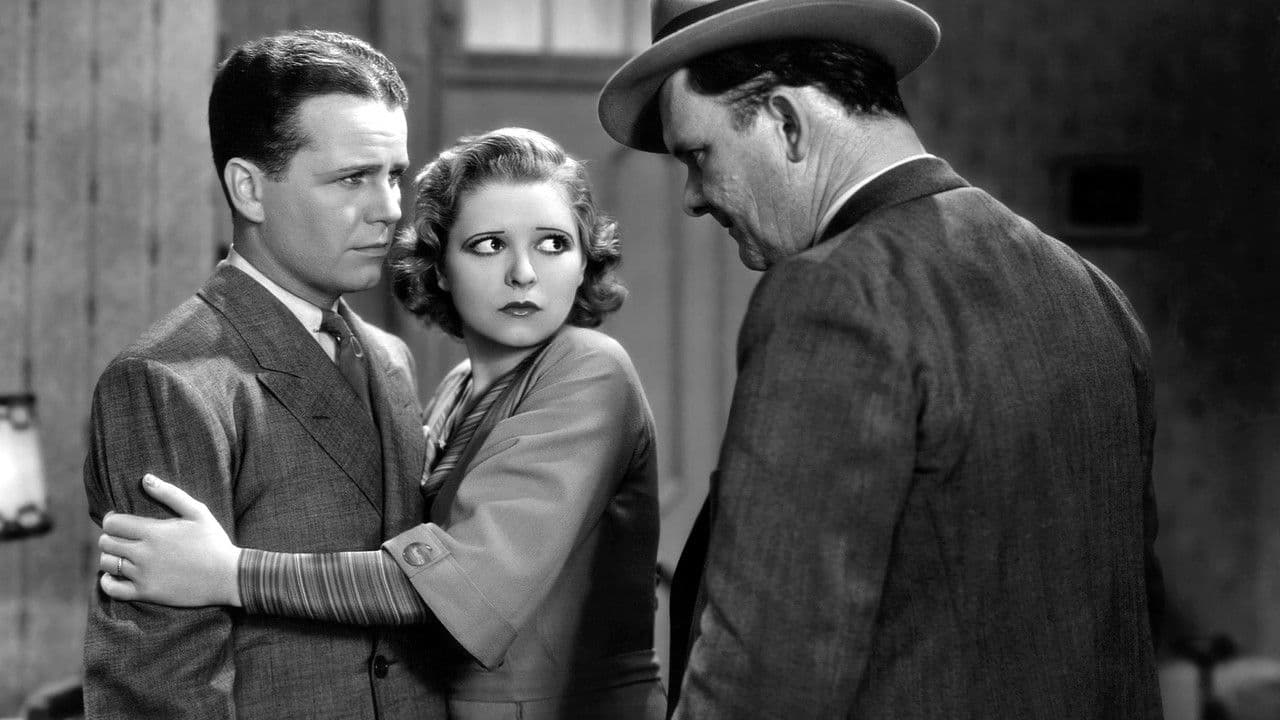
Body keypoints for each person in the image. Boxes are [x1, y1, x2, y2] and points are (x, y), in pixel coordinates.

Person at [596, 1, 1165, 718]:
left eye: (698, 156)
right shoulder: (1093, 293)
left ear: (787, 123)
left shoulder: (833, 296)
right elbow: (1127, 625)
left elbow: (763, 682)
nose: (693, 198)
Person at [95, 128, 667, 720]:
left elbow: (460, 584)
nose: (523, 273)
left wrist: (229, 574)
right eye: (489, 244)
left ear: (584, 260)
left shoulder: (593, 368)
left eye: (553, 244)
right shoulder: (455, 389)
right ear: (440, 269)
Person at [80, 30, 447, 719]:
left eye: (394, 175)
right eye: (352, 178)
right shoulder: (168, 381)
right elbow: (160, 688)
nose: (390, 209)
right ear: (249, 188)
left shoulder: (389, 357)